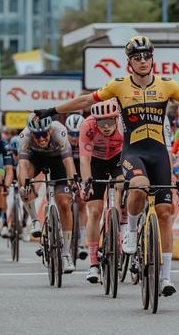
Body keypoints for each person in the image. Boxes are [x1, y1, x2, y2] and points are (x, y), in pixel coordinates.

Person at [34, 36, 179, 296]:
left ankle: (165, 277)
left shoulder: (167, 85)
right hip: (134, 152)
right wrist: (51, 110)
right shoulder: (119, 86)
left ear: (152, 58)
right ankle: (132, 230)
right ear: (130, 63)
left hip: (158, 153)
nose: (143, 61)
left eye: (146, 56)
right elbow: (85, 102)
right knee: (138, 186)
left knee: (164, 213)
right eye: (137, 57)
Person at [18, 113, 78, 273]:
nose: (41, 138)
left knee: (64, 203)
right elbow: (23, 165)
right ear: (31, 134)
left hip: (58, 160)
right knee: (23, 182)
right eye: (37, 135)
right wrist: (24, 184)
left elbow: (68, 161)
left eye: (44, 134)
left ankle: (66, 253)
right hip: (36, 159)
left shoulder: (60, 131)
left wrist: (73, 182)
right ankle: (35, 221)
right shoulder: (24, 136)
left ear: (50, 131)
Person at [78, 101, 124, 283]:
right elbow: (84, 161)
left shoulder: (123, 124)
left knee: (121, 185)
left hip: (119, 158)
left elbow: (132, 151)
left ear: (116, 118)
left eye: (110, 122)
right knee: (95, 211)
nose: (106, 127)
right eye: (101, 122)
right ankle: (93, 263)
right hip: (95, 162)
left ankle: (123, 223)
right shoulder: (87, 126)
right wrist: (86, 185)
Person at [64, 113, 88, 261]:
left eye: (77, 134)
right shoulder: (63, 143)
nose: (74, 137)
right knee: (62, 200)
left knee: (82, 203)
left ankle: (81, 243)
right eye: (71, 133)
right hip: (65, 169)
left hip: (81, 169)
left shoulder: (85, 142)